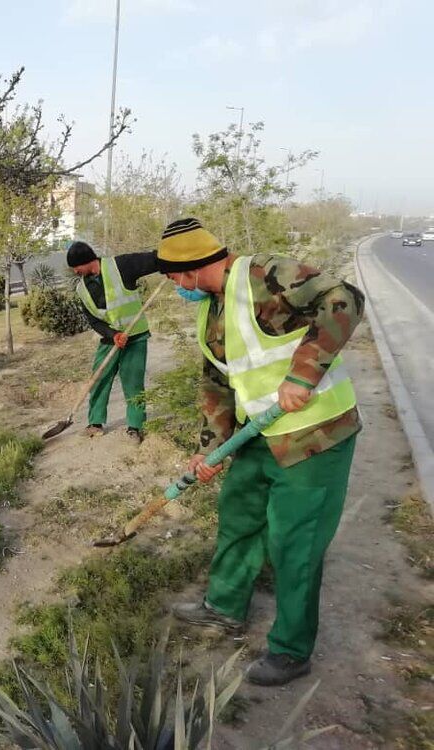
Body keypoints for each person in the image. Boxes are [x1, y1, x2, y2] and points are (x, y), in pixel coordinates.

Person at [155, 217, 364, 686]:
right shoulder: (210, 307)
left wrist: (304, 373)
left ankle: (291, 650)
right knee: (239, 516)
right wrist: (208, 449)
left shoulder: (266, 275)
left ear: (189, 267)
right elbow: (218, 381)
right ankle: (224, 608)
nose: (172, 286)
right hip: (258, 436)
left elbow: (343, 299)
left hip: (314, 435)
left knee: (296, 545)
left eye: (171, 276)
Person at [66, 240, 158, 443]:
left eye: (76, 267)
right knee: (99, 379)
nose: (75, 271)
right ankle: (95, 423)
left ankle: (135, 427)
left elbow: (153, 259)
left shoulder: (120, 266)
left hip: (135, 336)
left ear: (86, 261)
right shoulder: (82, 289)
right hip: (110, 339)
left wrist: (174, 265)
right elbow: (93, 320)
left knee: (133, 383)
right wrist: (111, 334)